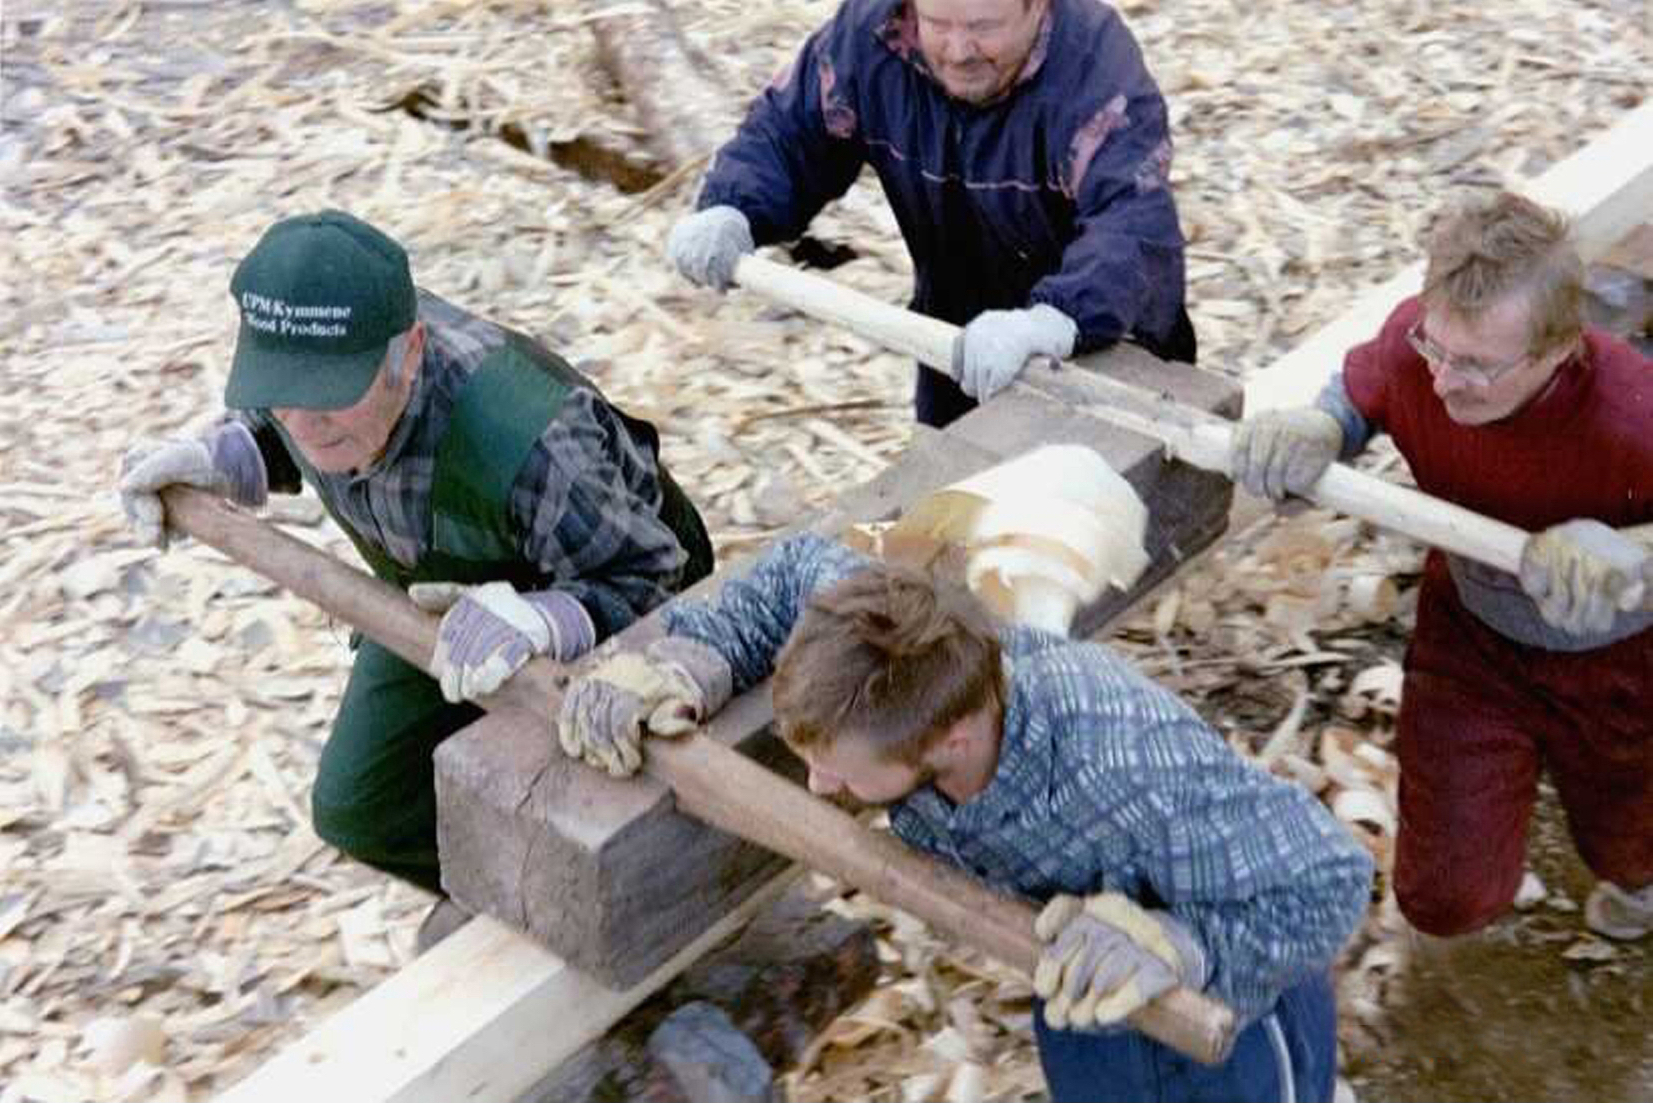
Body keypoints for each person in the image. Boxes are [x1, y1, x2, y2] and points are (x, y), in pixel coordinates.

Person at [555, 532, 1372, 1102]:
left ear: (950, 740)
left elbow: (1333, 879)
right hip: (1076, 985)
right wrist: (694, 655)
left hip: (1223, 1016)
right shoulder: (898, 636)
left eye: (840, 770)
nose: (816, 782)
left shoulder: (1124, 758)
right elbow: (797, 567)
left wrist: (1191, 950)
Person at [118, 211, 714, 933]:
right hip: (438, 594)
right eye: (283, 393)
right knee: (357, 805)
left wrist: (541, 619)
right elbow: (283, 434)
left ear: (412, 351)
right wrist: (225, 458)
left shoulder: (533, 439)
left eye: (331, 395)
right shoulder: (305, 366)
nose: (304, 423)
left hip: (609, 589)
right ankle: (519, 903)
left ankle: (625, 906)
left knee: (600, 801)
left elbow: (652, 573)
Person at [1230, 191, 1653, 941]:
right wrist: (1321, 425)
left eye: (1479, 366)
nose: (1445, 381)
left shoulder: (1633, 412)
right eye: (1438, 348)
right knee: (1443, 894)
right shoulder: (1415, 348)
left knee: (1632, 840)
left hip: (1619, 660)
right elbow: (1363, 392)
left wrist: (1638, 551)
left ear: (1560, 348)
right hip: (1474, 634)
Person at [667, 0, 1196, 428]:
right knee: (947, 522)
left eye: (984, 27)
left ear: (1039, 8)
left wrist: (1055, 321)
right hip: (953, 341)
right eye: (938, 24)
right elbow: (789, 136)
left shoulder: (1096, 67)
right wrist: (732, 205)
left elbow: (1131, 222)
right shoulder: (872, 36)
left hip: (1102, 343)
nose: (959, 50)